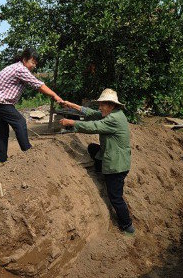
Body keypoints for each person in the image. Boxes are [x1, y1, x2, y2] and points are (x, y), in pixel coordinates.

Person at [58, 89, 135, 235]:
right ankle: (100, 171)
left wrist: (71, 122)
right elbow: (92, 114)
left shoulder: (113, 119)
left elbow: (94, 126)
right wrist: (72, 105)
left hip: (116, 165)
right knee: (93, 148)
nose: (99, 108)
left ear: (111, 105)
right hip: (114, 155)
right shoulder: (114, 114)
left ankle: (127, 226)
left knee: (115, 197)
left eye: (102, 105)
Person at [0, 48, 64, 165]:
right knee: (20, 122)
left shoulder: (17, 67)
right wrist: (55, 95)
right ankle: (28, 152)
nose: (34, 65)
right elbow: (38, 85)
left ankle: (1, 158)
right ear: (24, 60)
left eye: (35, 63)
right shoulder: (20, 69)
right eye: (32, 62)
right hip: (0, 101)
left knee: (2, 130)